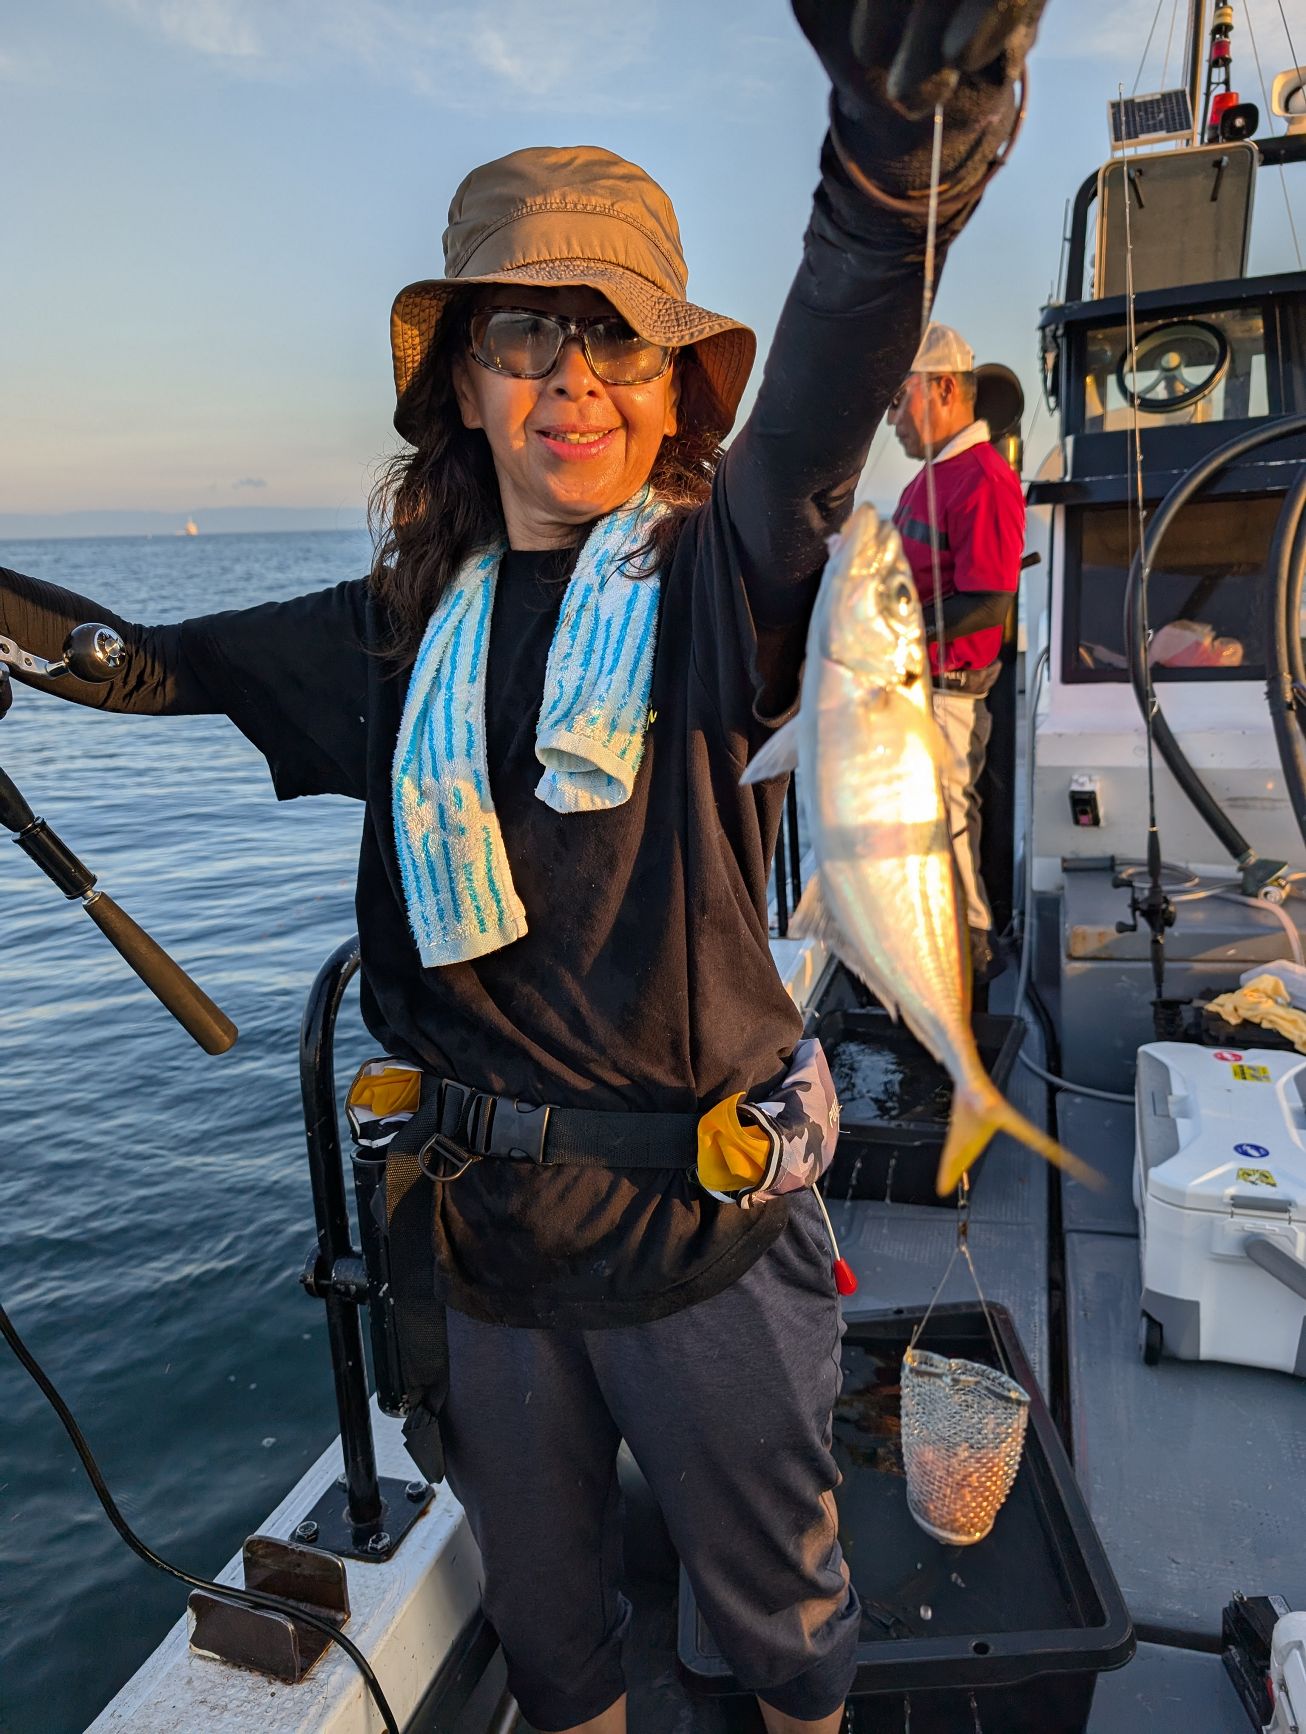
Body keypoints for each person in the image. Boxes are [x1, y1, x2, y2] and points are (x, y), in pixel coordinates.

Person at [0, 6, 1044, 1730]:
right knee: (553, 1647)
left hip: (703, 1230)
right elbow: (145, 660)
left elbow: (822, 404)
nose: (573, 380)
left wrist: (898, 155)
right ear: (462, 387)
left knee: (789, 1636)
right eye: (524, 335)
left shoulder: (720, 589)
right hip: (477, 1243)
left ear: (674, 388)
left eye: (617, 338)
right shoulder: (389, 630)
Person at [887, 321, 1027, 980]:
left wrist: (891, 630)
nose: (891, 419)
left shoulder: (984, 477)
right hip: (916, 694)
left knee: (948, 842)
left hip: (948, 702)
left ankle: (971, 980)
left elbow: (991, 602)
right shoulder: (932, 478)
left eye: (897, 399)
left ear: (942, 389)